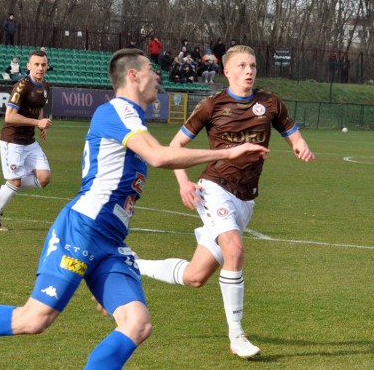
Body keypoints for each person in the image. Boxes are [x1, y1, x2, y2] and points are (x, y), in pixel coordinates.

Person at [0, 48, 268, 370]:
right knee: (35, 319)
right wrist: (227, 152)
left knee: (137, 324)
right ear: (133, 76)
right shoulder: (117, 111)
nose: (159, 78)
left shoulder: (132, 118)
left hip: (109, 241)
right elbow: (159, 157)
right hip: (82, 230)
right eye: (152, 71)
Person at [135, 45, 315, 359]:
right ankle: (237, 335)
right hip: (214, 188)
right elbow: (174, 147)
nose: (249, 71)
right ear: (227, 71)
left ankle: (133, 265)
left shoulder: (270, 102)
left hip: (246, 199)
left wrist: (301, 147)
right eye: (242, 66)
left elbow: (292, 133)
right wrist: (183, 182)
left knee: (195, 276)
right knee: (235, 249)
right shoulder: (211, 105)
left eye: (253, 65)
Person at [0, 50, 52, 232]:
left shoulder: (45, 86)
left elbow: (38, 107)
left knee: (44, 178)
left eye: (43, 65)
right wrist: (37, 122)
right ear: (29, 66)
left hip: (28, 140)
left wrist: (41, 125)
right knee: (14, 182)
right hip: (12, 139)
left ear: (47, 67)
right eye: (36, 64)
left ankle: (2, 188)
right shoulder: (21, 87)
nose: (40, 68)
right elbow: (9, 116)